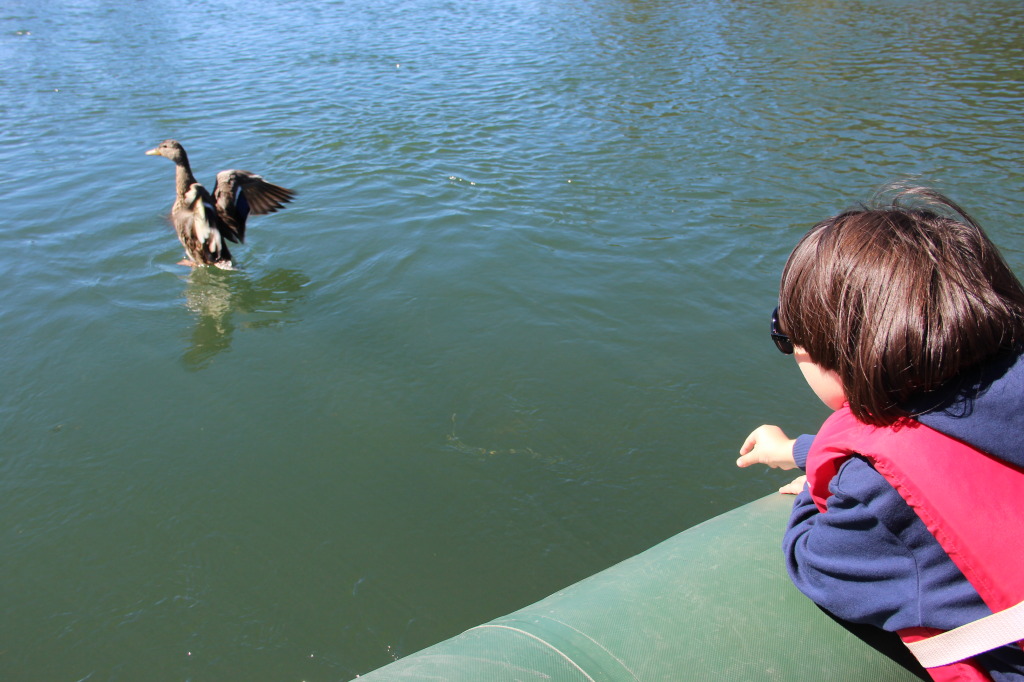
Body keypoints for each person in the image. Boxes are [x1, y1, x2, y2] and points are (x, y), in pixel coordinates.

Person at [736, 186, 1024, 681]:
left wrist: (819, 485)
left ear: (837, 357)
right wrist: (803, 451)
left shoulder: (873, 500)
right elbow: (956, 446)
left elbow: (818, 564)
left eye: (787, 337)